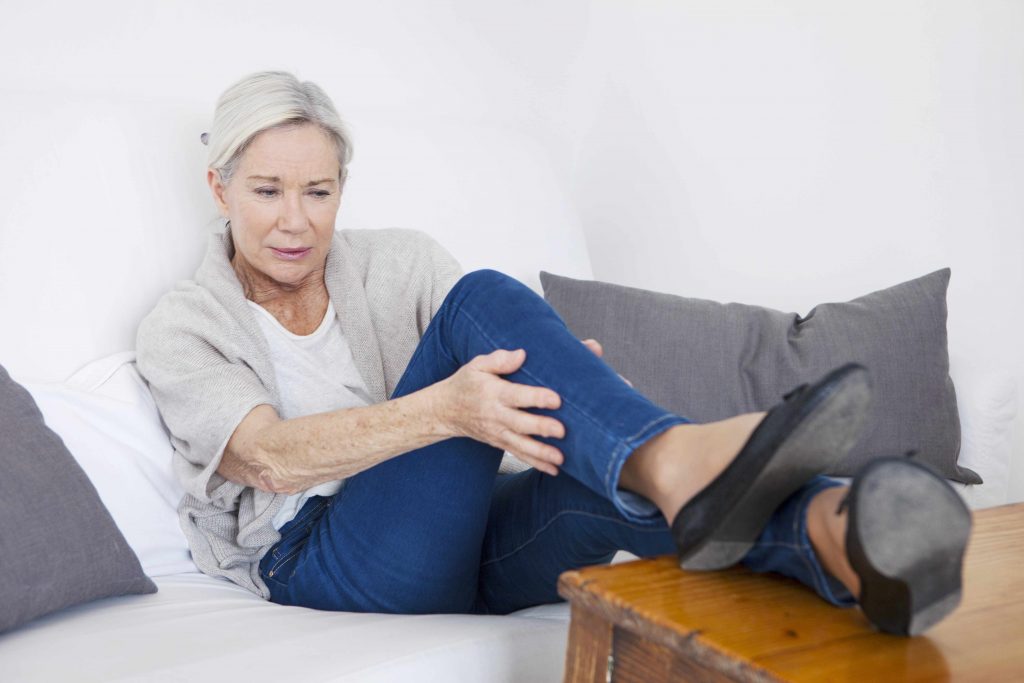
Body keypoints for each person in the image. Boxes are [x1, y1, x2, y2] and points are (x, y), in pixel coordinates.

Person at [135, 71, 970, 637]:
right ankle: (676, 451)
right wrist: (448, 409)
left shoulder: (400, 260)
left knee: (612, 484)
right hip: (326, 558)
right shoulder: (185, 321)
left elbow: (499, 360)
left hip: (468, 545)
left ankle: (850, 540)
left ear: (341, 191)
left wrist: (562, 381)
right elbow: (268, 459)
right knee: (479, 303)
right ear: (220, 188)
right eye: (267, 191)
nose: (295, 220)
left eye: (317, 192)